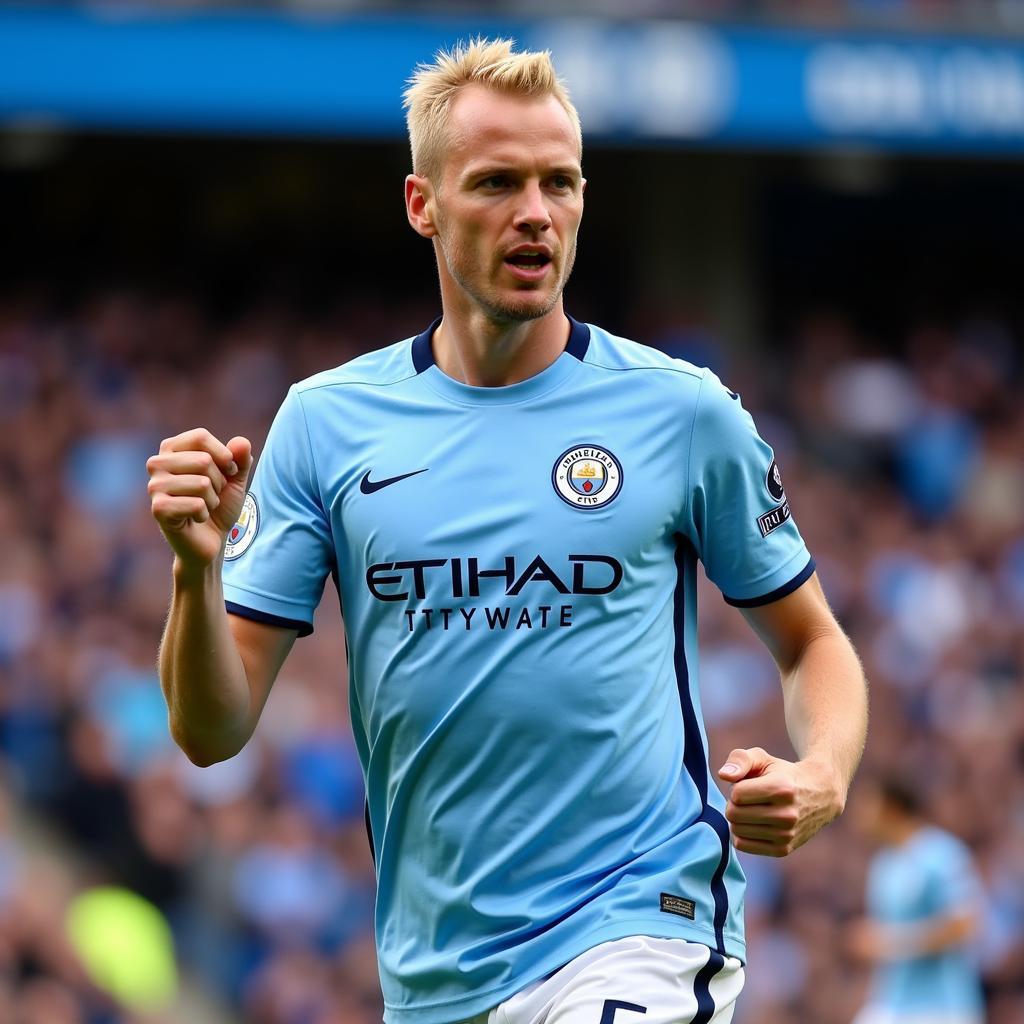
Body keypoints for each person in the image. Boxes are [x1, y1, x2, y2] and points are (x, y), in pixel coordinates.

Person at [146, 38, 868, 1024]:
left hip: (638, 924)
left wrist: (822, 771)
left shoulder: (679, 410)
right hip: (436, 972)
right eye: (496, 183)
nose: (536, 211)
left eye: (558, 183)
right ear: (422, 205)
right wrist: (194, 574)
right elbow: (209, 729)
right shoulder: (324, 423)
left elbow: (812, 642)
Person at [846, 775, 985, 1024]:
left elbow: (964, 925)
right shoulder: (883, 865)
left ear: (892, 808)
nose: (860, 815)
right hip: (891, 1004)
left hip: (942, 1008)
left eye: (868, 805)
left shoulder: (941, 854)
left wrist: (890, 943)